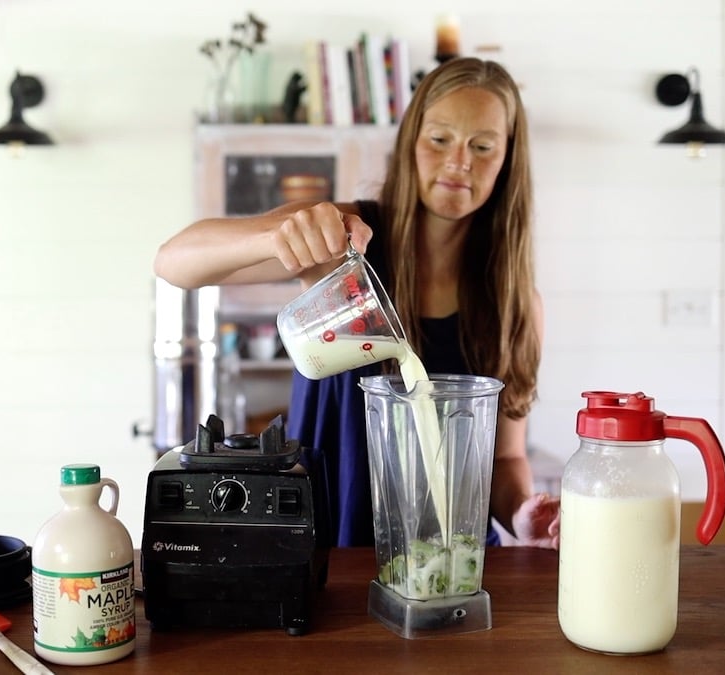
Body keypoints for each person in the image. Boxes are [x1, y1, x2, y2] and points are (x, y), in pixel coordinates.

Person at [154, 57, 560, 549]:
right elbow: (175, 261)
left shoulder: (514, 302)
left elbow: (503, 460)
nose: (459, 162)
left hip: (448, 560)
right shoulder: (346, 242)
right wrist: (281, 232)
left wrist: (521, 513)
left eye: (482, 146)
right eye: (439, 139)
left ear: (507, 160)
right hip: (328, 545)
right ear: (411, 140)